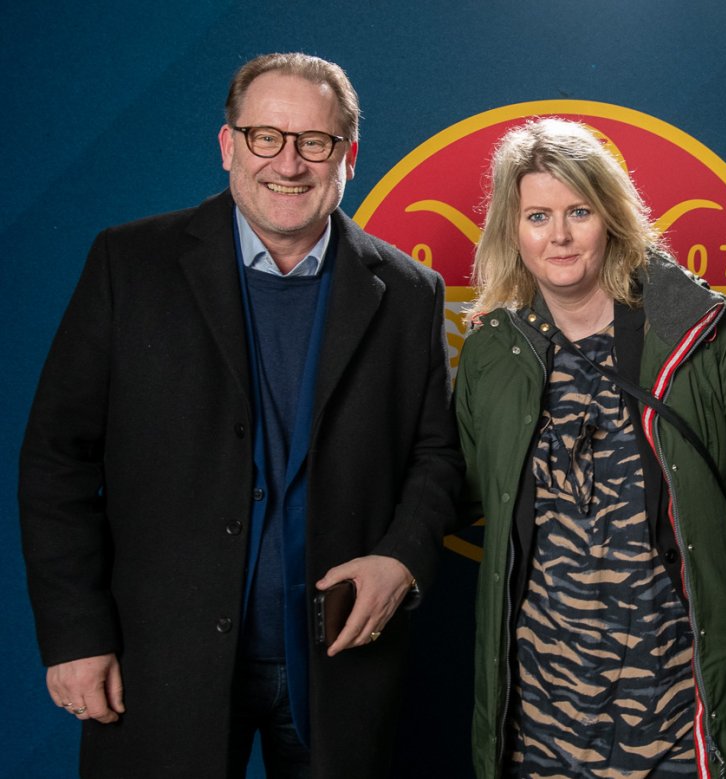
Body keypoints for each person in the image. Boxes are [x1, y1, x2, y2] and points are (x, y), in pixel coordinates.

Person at [19, 52, 462, 778]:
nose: (288, 163)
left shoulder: (411, 291)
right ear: (229, 145)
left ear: (348, 157)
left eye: (313, 141)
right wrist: (75, 634)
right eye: (265, 137)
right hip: (156, 660)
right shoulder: (128, 264)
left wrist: (403, 557)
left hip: (338, 663)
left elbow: (435, 454)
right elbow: (56, 460)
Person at [454, 117, 726, 779]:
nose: (559, 236)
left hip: (676, 703)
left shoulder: (692, 327)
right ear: (513, 231)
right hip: (541, 714)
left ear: (612, 218)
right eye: (538, 216)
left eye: (579, 212)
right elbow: (455, 484)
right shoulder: (492, 352)